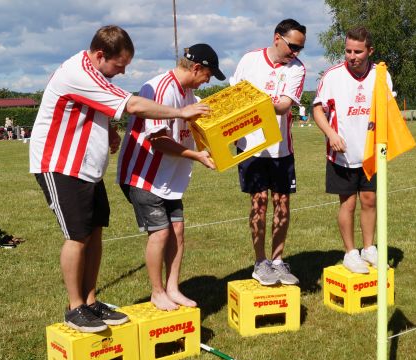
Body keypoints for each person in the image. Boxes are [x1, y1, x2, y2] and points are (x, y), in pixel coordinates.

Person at [29, 25, 212, 333]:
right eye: (120, 65)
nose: (123, 72)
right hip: (59, 164)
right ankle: (75, 307)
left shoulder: (96, 73)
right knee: (77, 235)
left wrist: (111, 131)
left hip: (86, 167)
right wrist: (181, 113)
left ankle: (90, 301)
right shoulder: (78, 72)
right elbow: (133, 105)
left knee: (95, 231)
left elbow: (94, 106)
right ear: (101, 55)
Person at [117, 44, 224, 311]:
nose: (208, 80)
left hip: (169, 179)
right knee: (160, 233)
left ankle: (173, 288)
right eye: (208, 74)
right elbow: (159, 140)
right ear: (196, 68)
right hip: (144, 175)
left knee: (177, 230)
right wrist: (196, 156)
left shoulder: (188, 92)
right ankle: (157, 292)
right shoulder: (160, 89)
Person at [230, 19, 306, 286]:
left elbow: (283, 106)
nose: (296, 52)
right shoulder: (249, 60)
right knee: (259, 203)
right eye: (293, 46)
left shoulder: (297, 69)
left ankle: (278, 260)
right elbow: (233, 96)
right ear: (277, 38)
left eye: (300, 48)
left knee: (282, 204)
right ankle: (260, 262)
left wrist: (254, 99)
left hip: (281, 149)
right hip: (251, 147)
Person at [312, 26, 393, 274]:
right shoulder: (332, 76)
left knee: (369, 200)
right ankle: (350, 253)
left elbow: (388, 109)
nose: (352, 56)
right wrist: (331, 134)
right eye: (348, 51)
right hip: (342, 155)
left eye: (358, 51)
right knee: (347, 204)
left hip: (371, 154)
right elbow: (317, 109)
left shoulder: (381, 75)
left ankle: (369, 249)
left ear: (370, 51)